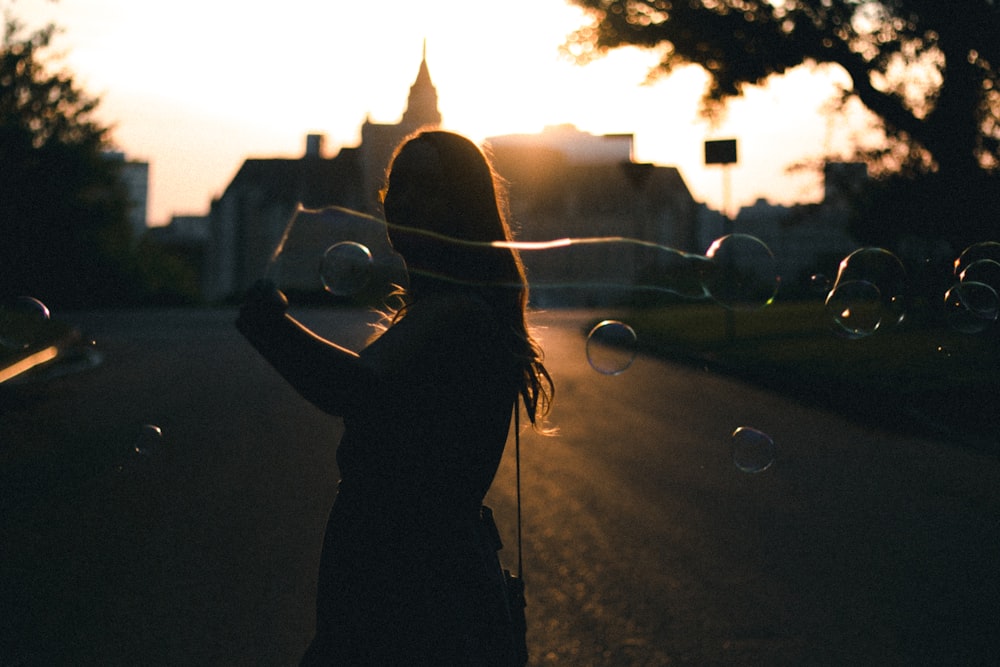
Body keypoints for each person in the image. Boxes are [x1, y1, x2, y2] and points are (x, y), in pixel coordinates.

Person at [236, 130, 553, 665]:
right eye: (397, 187)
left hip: (415, 583)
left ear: (463, 208)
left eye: (427, 188)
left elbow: (354, 386)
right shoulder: (452, 309)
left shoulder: (458, 311)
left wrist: (271, 327)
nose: (404, 202)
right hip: (414, 574)